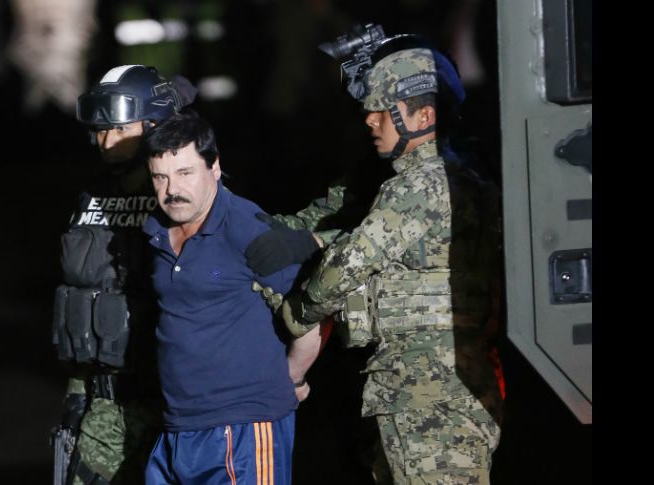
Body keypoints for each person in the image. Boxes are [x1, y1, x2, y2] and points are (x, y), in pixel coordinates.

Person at [249, 37, 504, 484]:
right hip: (445, 385)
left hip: (423, 391)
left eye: (384, 109)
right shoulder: (465, 180)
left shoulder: (417, 185)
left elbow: (345, 268)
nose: (369, 119)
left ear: (424, 116)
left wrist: (295, 314)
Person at [140, 114, 307, 485]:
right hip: (177, 425)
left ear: (214, 167)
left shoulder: (246, 227)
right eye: (160, 177)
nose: (172, 189)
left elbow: (314, 305)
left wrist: (294, 376)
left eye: (185, 173)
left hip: (243, 426)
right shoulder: (156, 229)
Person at [50, 64, 197, 485]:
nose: (107, 141)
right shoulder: (93, 195)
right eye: (101, 130)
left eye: (119, 129)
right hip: (104, 408)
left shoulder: (183, 195)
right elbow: (83, 297)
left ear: (152, 126)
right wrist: (77, 397)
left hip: (174, 406)